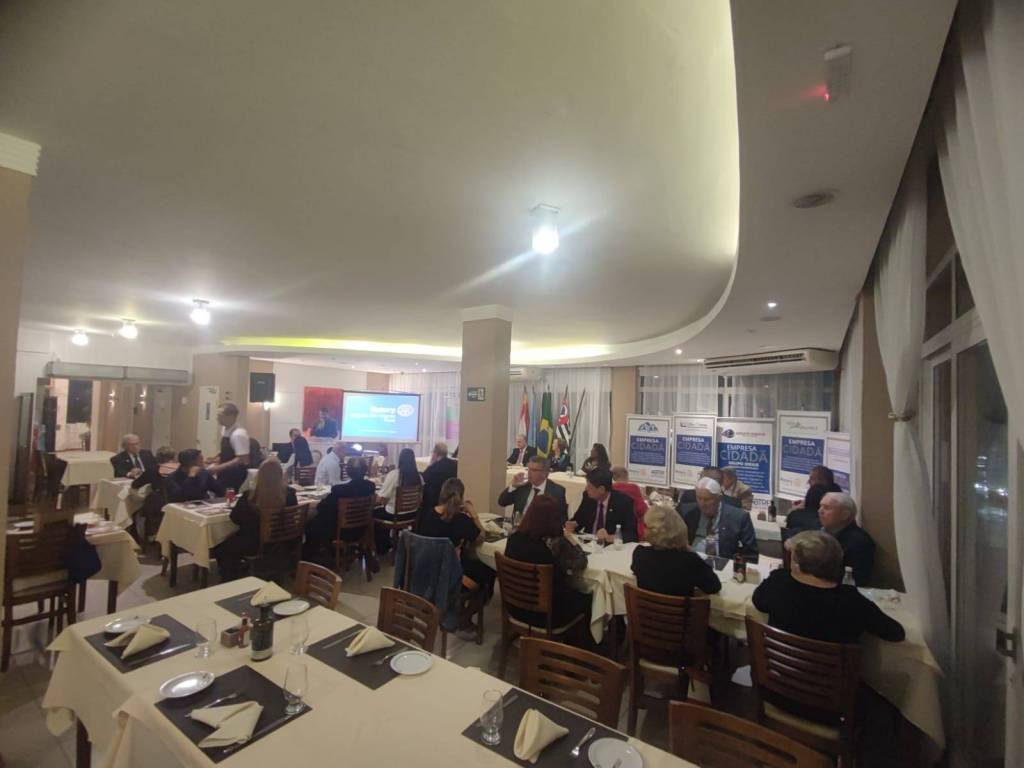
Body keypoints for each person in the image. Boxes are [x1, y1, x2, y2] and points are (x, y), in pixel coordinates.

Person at [752, 530, 904, 644]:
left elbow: (759, 602)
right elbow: (895, 633)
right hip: (830, 676)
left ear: (797, 564)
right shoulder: (851, 600)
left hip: (776, 669)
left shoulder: (779, 581)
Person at [504, 494, 591, 630]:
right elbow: (580, 562)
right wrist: (571, 540)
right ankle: (579, 641)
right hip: (545, 615)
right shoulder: (547, 551)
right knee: (588, 598)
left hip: (514, 606)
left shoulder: (513, 539)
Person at [214, 457, 298, 582]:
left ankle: (230, 577)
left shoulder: (250, 496)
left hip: (254, 544)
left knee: (220, 546)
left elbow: (235, 518)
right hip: (282, 540)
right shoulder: (290, 494)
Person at [419, 477, 495, 593]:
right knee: (488, 568)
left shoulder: (427, 514)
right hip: (451, 573)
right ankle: (476, 599)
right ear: (461, 496)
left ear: (442, 493)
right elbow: (481, 537)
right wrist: (474, 515)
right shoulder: (461, 519)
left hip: (427, 569)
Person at [631, 504, 721, 597]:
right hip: (683, 606)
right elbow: (714, 587)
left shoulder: (640, 554)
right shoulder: (690, 561)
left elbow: (635, 570)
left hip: (645, 606)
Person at [304, 457, 377, 563]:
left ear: (348, 471)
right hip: (361, 529)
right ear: (365, 470)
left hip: (340, 532)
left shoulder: (340, 490)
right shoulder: (370, 486)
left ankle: (310, 558)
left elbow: (322, 508)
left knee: (311, 524)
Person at [677, 477, 758, 559]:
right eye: (699, 498)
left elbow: (750, 554)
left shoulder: (739, 517)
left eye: (707, 499)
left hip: (722, 562)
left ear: (719, 498)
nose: (702, 504)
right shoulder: (686, 512)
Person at [819, 492, 875, 585]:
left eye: (827, 508)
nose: (820, 511)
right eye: (820, 506)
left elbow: (856, 580)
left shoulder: (859, 543)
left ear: (845, 515)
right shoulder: (822, 532)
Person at [569, 467, 638, 543]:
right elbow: (578, 521)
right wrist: (572, 525)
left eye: (590, 487)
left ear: (601, 489)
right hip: (588, 543)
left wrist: (612, 537)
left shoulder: (623, 502)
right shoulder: (588, 497)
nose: (586, 489)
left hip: (610, 546)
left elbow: (632, 535)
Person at [374, 447, 423, 552]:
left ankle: (381, 547)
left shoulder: (394, 475)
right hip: (412, 514)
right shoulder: (419, 477)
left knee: (374, 512)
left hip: (394, 515)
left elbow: (382, 497)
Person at [497, 456, 568, 523]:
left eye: (534, 470)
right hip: (519, 527)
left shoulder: (557, 491)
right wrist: (513, 486)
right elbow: (502, 502)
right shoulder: (523, 486)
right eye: (529, 469)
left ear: (545, 473)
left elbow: (562, 519)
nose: (529, 473)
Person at [207, 403, 256, 491]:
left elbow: (242, 459)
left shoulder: (238, 434)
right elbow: (229, 451)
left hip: (235, 475)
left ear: (230, 417)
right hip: (225, 472)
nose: (217, 418)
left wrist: (218, 468)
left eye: (220, 415)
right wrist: (216, 459)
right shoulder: (224, 429)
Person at [420, 441, 458, 528]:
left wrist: (431, 464)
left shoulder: (433, 468)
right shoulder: (454, 464)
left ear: (435, 453)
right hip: (450, 499)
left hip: (433, 501)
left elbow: (423, 479)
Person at [611, 465, 649, 539]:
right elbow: (642, 509)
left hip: (613, 529)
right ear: (627, 476)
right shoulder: (634, 488)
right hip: (633, 530)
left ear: (613, 477)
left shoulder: (611, 488)